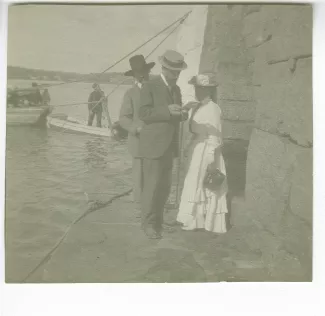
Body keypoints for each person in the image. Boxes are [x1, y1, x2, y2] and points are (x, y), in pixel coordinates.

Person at [138, 50, 188, 239]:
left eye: (179, 72)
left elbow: (178, 112)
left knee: (164, 187)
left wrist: (183, 114)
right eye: (174, 72)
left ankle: (158, 220)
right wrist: (167, 111)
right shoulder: (150, 85)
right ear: (164, 68)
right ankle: (148, 224)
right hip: (153, 145)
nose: (176, 75)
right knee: (151, 187)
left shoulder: (176, 90)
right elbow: (143, 114)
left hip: (169, 145)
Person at [176, 73, 229, 233]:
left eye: (202, 89)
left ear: (210, 91)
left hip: (207, 150)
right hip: (197, 147)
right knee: (194, 181)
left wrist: (211, 160)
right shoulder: (198, 106)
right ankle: (192, 218)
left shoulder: (213, 109)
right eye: (197, 88)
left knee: (203, 182)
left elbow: (215, 135)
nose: (198, 91)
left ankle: (204, 220)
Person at [118, 55, 155, 217]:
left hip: (156, 140)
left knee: (154, 173)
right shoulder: (130, 94)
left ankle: (153, 205)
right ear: (134, 75)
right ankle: (140, 210)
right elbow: (123, 118)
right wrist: (136, 128)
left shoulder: (157, 90)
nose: (143, 75)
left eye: (145, 72)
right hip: (138, 141)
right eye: (139, 73)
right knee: (139, 175)